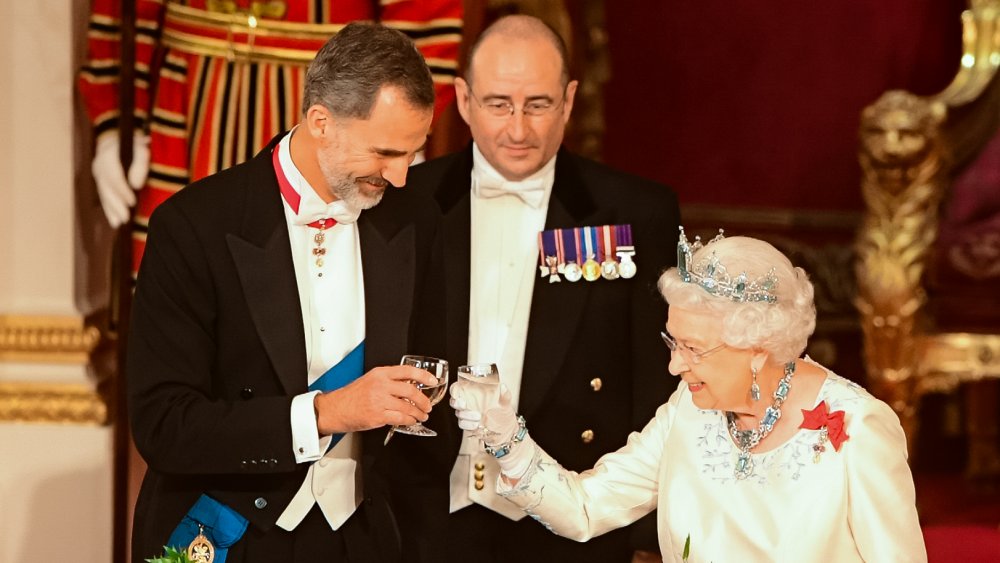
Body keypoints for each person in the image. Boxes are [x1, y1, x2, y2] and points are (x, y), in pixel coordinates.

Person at [126, 22, 448, 563]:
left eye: (412, 154)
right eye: (385, 153)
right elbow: (164, 425)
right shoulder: (194, 226)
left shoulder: (415, 222)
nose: (400, 177)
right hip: (230, 533)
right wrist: (328, 413)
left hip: (362, 538)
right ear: (321, 122)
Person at [451, 229, 928, 562]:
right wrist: (506, 438)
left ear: (758, 348)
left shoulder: (858, 430)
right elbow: (586, 509)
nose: (675, 365)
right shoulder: (689, 408)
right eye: (672, 342)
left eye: (693, 349)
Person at [406, 14, 681, 563]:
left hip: (573, 511)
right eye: (498, 104)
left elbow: (659, 381)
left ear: (569, 100)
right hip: (425, 508)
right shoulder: (408, 202)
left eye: (538, 105)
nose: (518, 130)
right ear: (462, 100)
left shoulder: (634, 212)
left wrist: (647, 537)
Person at [78, 0, 462, 276]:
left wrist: (399, 128)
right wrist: (115, 114)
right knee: (176, 275)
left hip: (334, 95)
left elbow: (424, 13)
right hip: (188, 95)